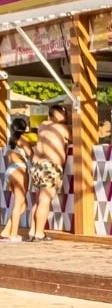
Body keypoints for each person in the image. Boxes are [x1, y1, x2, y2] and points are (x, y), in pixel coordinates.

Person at [28, 103, 70, 242]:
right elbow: (77, 138)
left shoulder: (42, 125)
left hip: (36, 165)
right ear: (62, 113)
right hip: (50, 166)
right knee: (45, 200)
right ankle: (39, 233)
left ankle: (32, 231)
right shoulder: (63, 129)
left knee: (38, 200)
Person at [1, 116, 32, 242]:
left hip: (10, 171)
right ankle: (13, 235)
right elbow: (30, 154)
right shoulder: (23, 139)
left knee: (23, 205)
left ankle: (6, 231)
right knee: (19, 204)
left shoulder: (10, 141)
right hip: (19, 170)